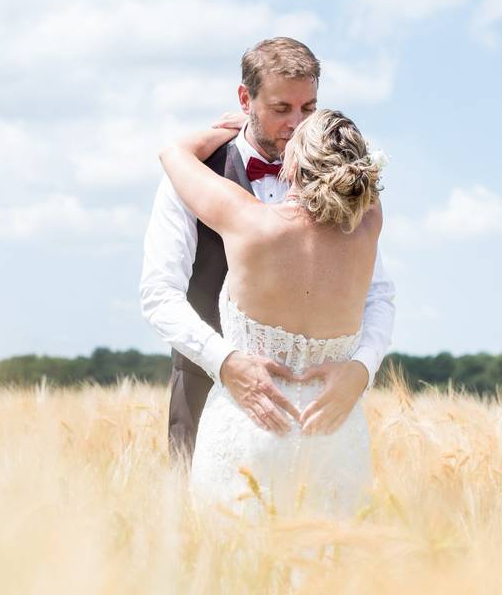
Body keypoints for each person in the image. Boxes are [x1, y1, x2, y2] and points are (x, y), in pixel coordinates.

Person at [139, 38, 395, 468]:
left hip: (323, 412)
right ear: (246, 99)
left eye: (308, 109)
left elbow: (378, 294)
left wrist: (362, 370)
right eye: (281, 109)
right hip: (211, 396)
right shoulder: (193, 177)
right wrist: (225, 363)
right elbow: (158, 294)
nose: (296, 124)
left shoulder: (340, 180)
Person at [158, 107, 385, 518]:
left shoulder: (246, 219)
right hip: (336, 431)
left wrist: (232, 127)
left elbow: (173, 153)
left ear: (293, 163)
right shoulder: (370, 222)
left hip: (251, 428)